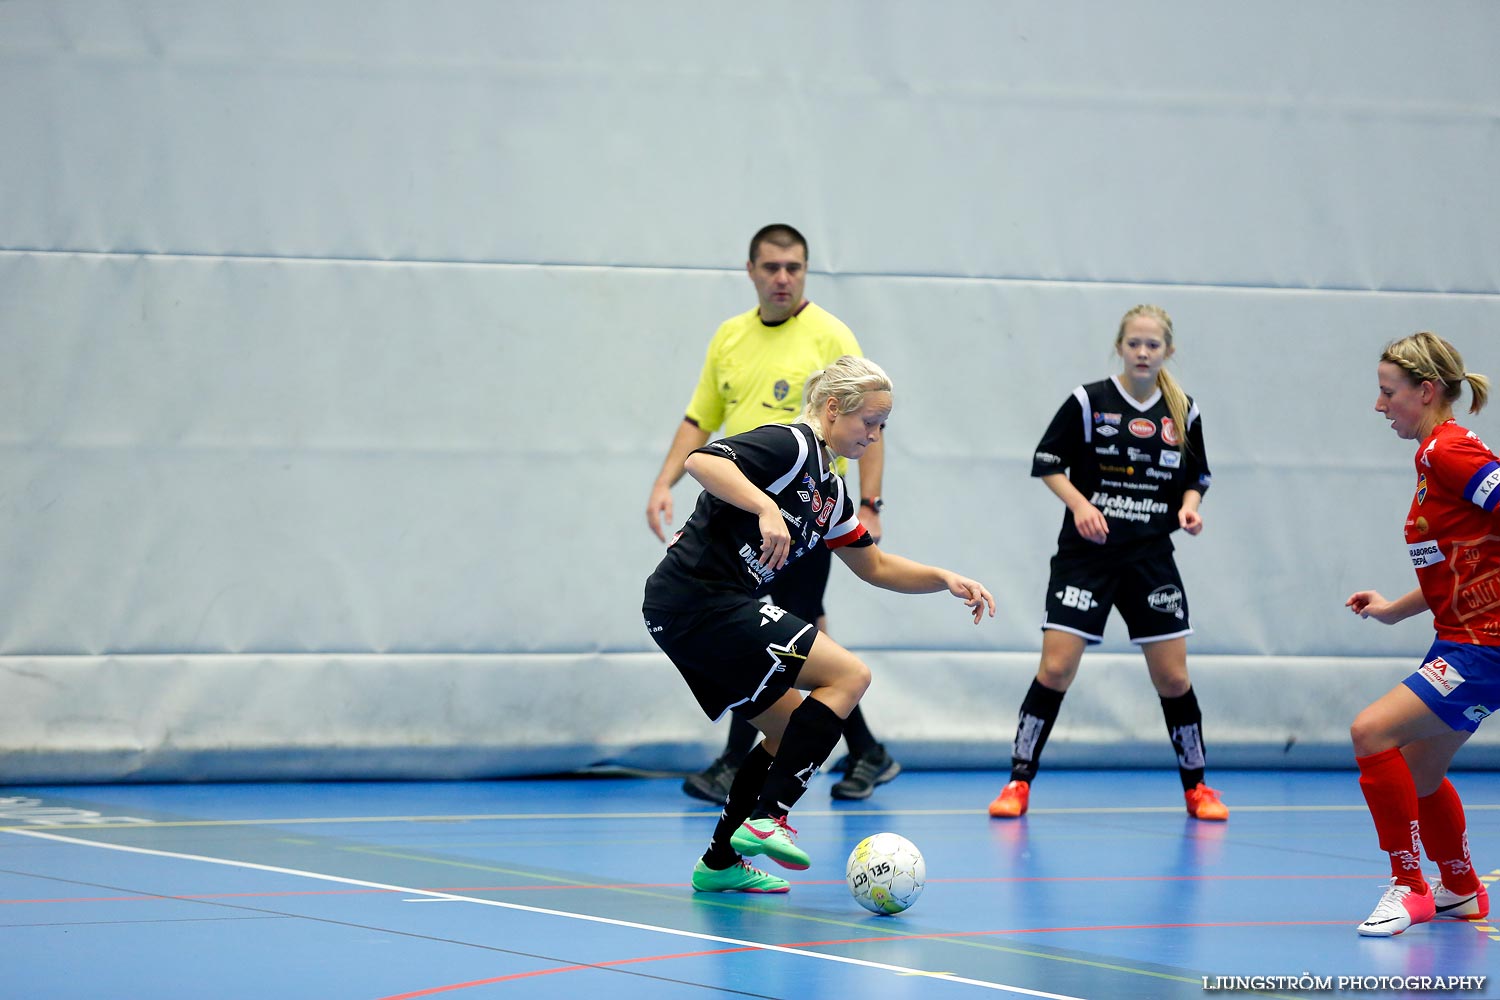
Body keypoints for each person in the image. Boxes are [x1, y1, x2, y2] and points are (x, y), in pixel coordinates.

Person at [644, 356, 994, 892]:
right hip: (698, 598)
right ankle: (769, 818)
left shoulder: (829, 491)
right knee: (849, 675)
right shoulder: (792, 445)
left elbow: (873, 565)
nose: (874, 437)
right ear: (833, 409)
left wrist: (943, 577)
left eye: (883, 427)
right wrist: (764, 507)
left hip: (695, 609)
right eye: (868, 423)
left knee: (790, 733)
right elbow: (701, 461)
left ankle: (718, 864)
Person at [646, 224, 900, 804]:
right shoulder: (730, 338)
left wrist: (869, 503)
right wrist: (663, 482)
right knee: (792, 640)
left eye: (794, 267)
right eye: (771, 268)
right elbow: (699, 421)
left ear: (805, 271)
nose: (783, 278)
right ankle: (865, 751)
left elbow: (869, 425)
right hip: (746, 507)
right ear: (752, 271)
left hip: (806, 510)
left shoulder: (831, 334)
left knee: (780, 633)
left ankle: (741, 763)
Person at [988, 304, 1229, 821]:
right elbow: (1048, 463)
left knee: (1173, 679)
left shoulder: (1183, 410)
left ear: (1168, 350)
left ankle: (1198, 787)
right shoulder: (1087, 401)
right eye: (1134, 343)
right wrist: (1080, 505)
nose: (1143, 353)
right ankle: (1017, 782)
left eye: (1153, 345)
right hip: (1086, 558)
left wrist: (1189, 510)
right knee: (1055, 668)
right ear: (1120, 346)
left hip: (1149, 559)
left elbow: (1197, 477)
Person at [1345, 332, 1494, 937]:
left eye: (1388, 393)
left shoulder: (1446, 452)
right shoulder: (1437, 454)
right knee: (1418, 770)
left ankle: (1410, 889)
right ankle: (1459, 887)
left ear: (1425, 391)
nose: (1381, 407)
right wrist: (1392, 610)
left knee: (1370, 730)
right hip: (1461, 639)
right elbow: (1467, 561)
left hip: (1484, 647)